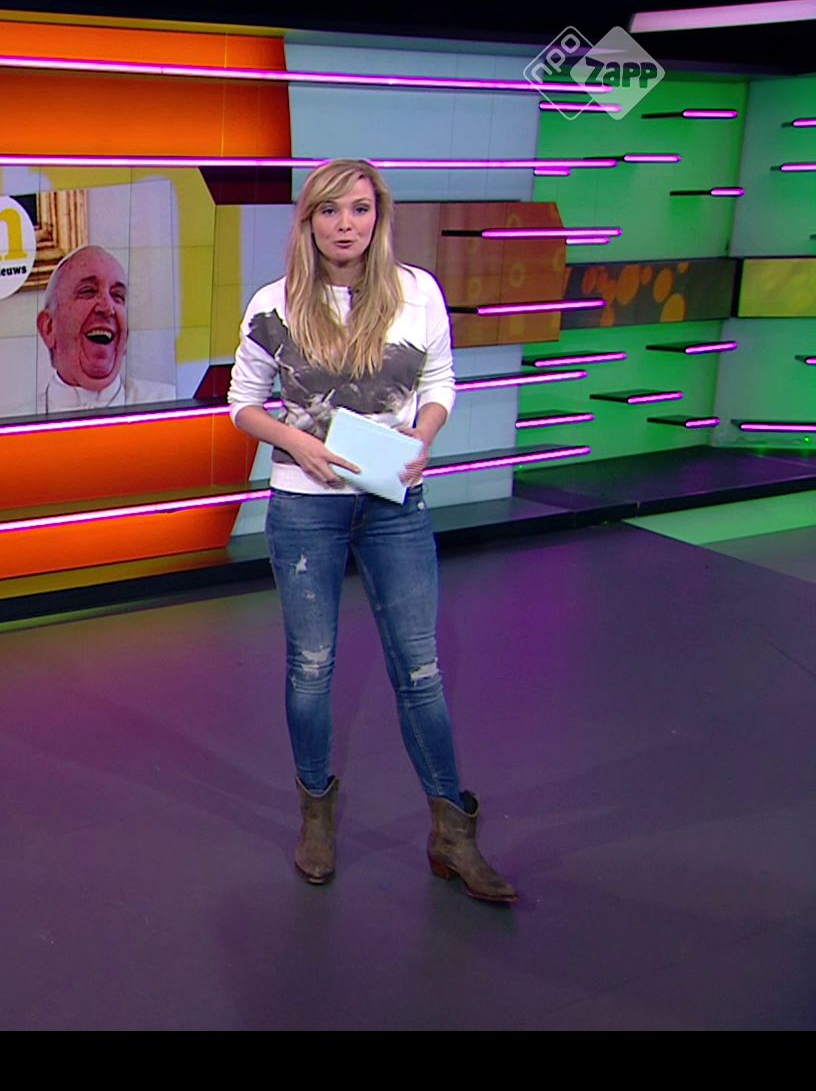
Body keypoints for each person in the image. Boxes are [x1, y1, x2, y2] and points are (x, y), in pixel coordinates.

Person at [226, 158, 517, 903]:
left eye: (358, 209)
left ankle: (452, 833)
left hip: (394, 503)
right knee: (311, 668)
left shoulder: (418, 293)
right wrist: (298, 443)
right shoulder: (275, 303)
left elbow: (440, 380)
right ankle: (316, 818)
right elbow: (243, 404)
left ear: (378, 216)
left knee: (420, 671)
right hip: (305, 506)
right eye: (329, 211)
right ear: (309, 221)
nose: (345, 225)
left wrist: (425, 435)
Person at [34, 244, 178, 413]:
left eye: (117, 295)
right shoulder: (14, 419)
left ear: (125, 336)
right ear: (49, 328)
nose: (107, 308)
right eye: (88, 291)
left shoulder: (172, 403)